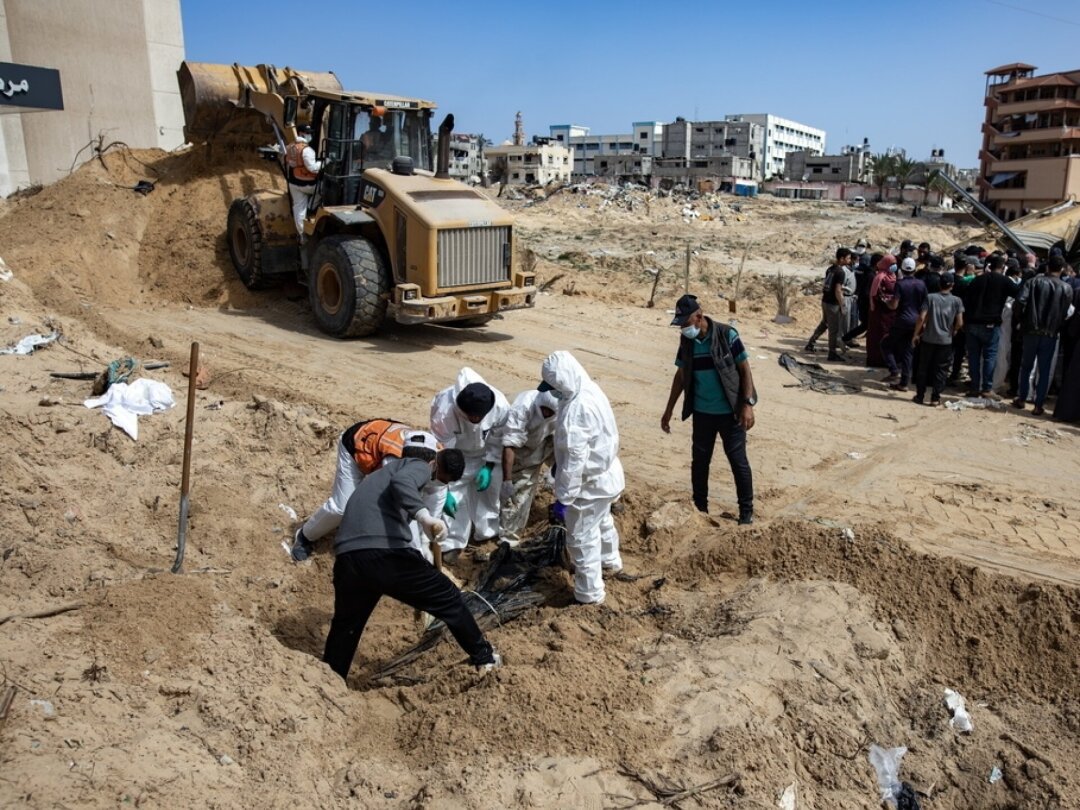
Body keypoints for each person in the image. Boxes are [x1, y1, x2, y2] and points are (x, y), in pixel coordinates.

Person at [320, 445, 501, 681]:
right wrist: (425, 517)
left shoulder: (380, 477)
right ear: (435, 465)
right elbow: (403, 484)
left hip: (349, 560)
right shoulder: (417, 466)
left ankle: (330, 680)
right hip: (382, 555)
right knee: (449, 596)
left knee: (348, 625)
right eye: (440, 480)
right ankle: (484, 658)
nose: (436, 484)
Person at [291, 420, 447, 562]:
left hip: (379, 447)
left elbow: (435, 496)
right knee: (342, 508)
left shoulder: (439, 457)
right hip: (356, 448)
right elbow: (402, 505)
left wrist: (426, 541)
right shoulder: (393, 461)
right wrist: (417, 551)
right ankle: (305, 536)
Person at [661, 294, 756, 523]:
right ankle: (700, 508)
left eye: (685, 323)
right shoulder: (687, 342)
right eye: (680, 325)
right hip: (702, 413)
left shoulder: (727, 335)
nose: (683, 329)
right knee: (700, 461)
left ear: (699, 317)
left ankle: (746, 513)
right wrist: (669, 409)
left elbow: (745, 370)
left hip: (730, 412)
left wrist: (747, 405)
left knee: (737, 461)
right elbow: (681, 376)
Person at [541, 351, 624, 605]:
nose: (552, 392)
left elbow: (575, 460)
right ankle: (610, 562)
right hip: (608, 475)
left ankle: (589, 595)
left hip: (589, 485)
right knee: (602, 521)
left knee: (581, 537)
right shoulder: (589, 388)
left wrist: (564, 498)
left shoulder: (577, 410)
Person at [430, 369, 510, 560]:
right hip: (456, 455)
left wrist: (489, 466)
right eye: (471, 417)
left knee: (490, 494)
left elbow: (499, 437)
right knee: (455, 499)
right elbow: (442, 451)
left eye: (479, 418)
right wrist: (444, 488)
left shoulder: (499, 405)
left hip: (485, 454)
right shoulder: (445, 411)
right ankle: (452, 544)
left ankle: (487, 535)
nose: (475, 421)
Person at [1013, 255, 1074, 415]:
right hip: (1050, 333)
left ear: (1047, 267)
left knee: (1026, 366)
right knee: (1044, 370)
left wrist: (1022, 320)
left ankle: (1021, 398)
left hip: (1031, 331)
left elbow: (1019, 302)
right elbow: (1066, 312)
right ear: (1062, 270)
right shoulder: (1066, 288)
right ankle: (1038, 405)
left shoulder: (1033, 282)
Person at [498, 388, 558, 545]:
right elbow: (510, 445)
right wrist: (507, 480)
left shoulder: (565, 410)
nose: (545, 414)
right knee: (520, 490)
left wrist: (556, 472)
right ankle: (509, 538)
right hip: (523, 447)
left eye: (550, 413)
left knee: (570, 473)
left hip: (550, 441)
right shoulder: (523, 407)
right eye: (543, 410)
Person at [963, 253, 1020, 398]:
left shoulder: (977, 280)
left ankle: (974, 387)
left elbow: (967, 300)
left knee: (974, 357)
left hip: (972, 323)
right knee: (990, 356)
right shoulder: (1004, 281)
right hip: (990, 324)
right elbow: (1019, 294)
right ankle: (987, 388)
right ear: (1003, 267)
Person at [913, 273, 964, 406]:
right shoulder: (957, 301)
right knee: (941, 370)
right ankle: (935, 398)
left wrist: (916, 334)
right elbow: (960, 322)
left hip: (928, 339)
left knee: (923, 368)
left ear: (939, 284)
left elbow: (921, 317)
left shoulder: (930, 298)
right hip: (945, 341)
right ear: (952, 285)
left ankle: (920, 396)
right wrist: (954, 330)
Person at [881, 257, 928, 390]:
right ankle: (904, 382)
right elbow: (925, 306)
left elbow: (894, 305)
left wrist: (886, 301)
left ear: (901, 269)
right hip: (916, 322)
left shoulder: (900, 284)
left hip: (902, 320)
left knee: (886, 345)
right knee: (908, 352)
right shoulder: (921, 284)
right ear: (914, 269)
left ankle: (894, 370)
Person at [805, 248, 854, 361]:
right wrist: (842, 305)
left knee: (824, 324)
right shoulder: (840, 272)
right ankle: (832, 353)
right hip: (833, 304)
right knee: (834, 330)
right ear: (842, 259)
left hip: (825, 301)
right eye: (848, 258)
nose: (850, 260)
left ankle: (811, 342)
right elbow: (837, 290)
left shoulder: (831, 269)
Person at [285, 125, 323, 240]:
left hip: (293, 184)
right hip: (308, 184)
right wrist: (324, 163)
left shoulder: (290, 147)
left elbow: (290, 163)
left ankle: (302, 234)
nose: (310, 135)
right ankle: (311, 207)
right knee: (323, 189)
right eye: (308, 132)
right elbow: (313, 169)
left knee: (298, 207)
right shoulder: (307, 150)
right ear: (301, 133)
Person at [866, 254, 898, 367]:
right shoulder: (880, 277)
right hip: (881, 312)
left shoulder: (893, 276)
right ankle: (877, 360)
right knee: (879, 335)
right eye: (892, 264)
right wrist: (890, 302)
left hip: (891, 313)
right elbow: (877, 295)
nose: (894, 266)